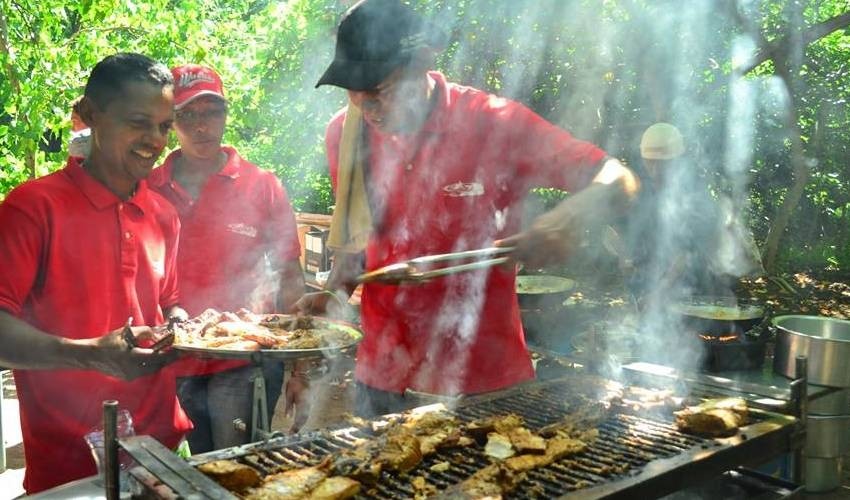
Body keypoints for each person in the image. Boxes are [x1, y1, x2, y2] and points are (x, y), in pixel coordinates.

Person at [299, 0, 640, 417]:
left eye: (380, 90)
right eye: (354, 90)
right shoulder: (345, 134)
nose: (366, 108)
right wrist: (333, 294)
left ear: (422, 60)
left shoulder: (491, 123)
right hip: (382, 381)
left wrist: (570, 216)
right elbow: (360, 241)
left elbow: (619, 178)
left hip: (484, 385)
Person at [0, 52, 191, 494]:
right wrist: (90, 353)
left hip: (165, 448)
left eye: (164, 126)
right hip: (70, 463)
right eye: (139, 122)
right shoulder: (33, 208)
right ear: (89, 114)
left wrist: (184, 325)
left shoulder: (163, 215)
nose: (155, 140)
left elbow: (169, 302)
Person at [148, 64, 308, 451]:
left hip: (245, 363)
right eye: (187, 115)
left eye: (211, 112)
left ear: (225, 114)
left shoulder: (262, 185)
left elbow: (290, 273)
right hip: (171, 362)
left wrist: (301, 365)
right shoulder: (148, 188)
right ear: (170, 121)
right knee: (186, 471)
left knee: (237, 468)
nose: (201, 126)